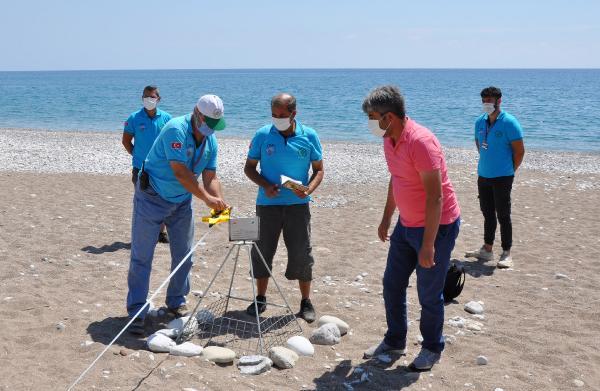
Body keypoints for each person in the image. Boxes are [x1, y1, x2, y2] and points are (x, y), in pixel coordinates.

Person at [362, 86, 461, 371]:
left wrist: (429, 244)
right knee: (392, 284)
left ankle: (432, 347)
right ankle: (395, 340)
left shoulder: (420, 141)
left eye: (372, 117)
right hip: (406, 225)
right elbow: (397, 181)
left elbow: (436, 196)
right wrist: (386, 218)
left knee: (429, 293)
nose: (370, 122)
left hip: (436, 226)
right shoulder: (389, 139)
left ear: (389, 116)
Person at [127, 94, 228, 335]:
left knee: (184, 254)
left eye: (214, 126)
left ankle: (176, 302)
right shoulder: (176, 129)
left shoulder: (210, 141)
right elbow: (181, 173)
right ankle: (137, 311)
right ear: (197, 113)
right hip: (152, 197)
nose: (209, 130)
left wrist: (218, 200)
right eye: (207, 123)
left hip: (182, 202)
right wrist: (206, 198)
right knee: (142, 255)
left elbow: (210, 176)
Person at [244, 93, 324, 323]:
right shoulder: (262, 134)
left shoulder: (309, 136)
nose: (277, 119)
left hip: (298, 206)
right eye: (274, 115)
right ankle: (260, 297)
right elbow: (249, 168)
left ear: (293, 113)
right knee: (262, 251)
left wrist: (308, 189)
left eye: (282, 115)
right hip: (267, 205)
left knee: (301, 253)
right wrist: (265, 185)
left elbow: (319, 169)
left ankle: (305, 301)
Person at [465, 86, 525, 269]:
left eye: (490, 100)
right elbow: (479, 144)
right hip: (483, 175)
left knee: (503, 215)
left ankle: (506, 252)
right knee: (487, 213)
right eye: (484, 100)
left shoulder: (510, 122)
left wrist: (509, 170)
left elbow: (520, 151)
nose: (486, 104)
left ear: (499, 100)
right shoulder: (479, 122)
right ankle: (487, 249)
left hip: (503, 176)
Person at [122, 85, 172, 243]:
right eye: (146, 97)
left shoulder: (167, 118)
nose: (149, 100)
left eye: (152, 97)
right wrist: (137, 155)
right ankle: (142, 234)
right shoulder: (134, 118)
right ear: (142, 98)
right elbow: (126, 141)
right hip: (140, 168)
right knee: (142, 202)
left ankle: (160, 233)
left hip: (162, 168)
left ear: (159, 99)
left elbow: (172, 142)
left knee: (163, 200)